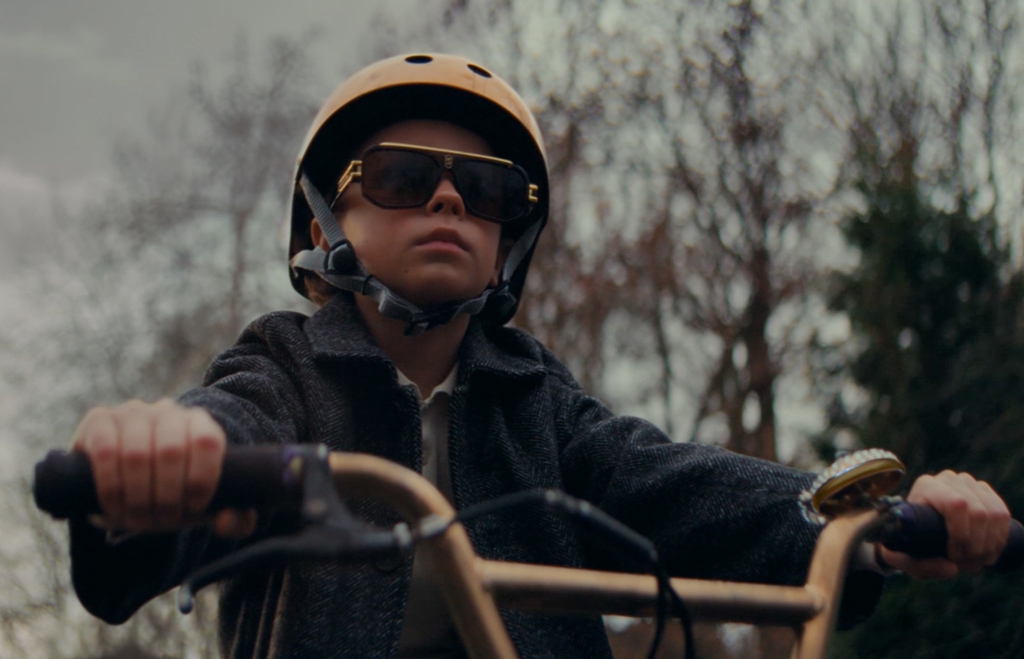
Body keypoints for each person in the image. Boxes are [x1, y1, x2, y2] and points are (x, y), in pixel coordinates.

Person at [67, 54, 1011, 659]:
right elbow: (227, 424)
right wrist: (158, 454)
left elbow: (675, 486)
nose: (448, 201)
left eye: (484, 191)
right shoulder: (286, 366)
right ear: (325, 224)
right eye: (401, 176)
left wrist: (868, 523)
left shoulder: (536, 399)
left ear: (506, 240)